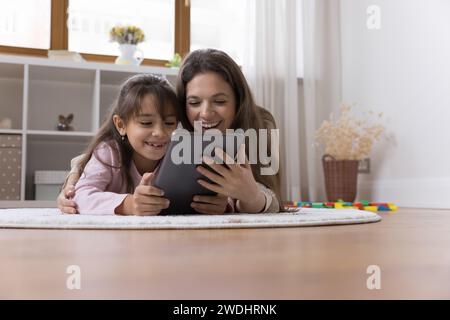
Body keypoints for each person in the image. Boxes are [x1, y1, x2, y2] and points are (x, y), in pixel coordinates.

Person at [58, 49, 281, 214]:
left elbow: (273, 200)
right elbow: (98, 160)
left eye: (220, 100)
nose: (206, 113)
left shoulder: (258, 129)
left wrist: (242, 199)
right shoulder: (175, 130)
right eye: (194, 102)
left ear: (238, 101)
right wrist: (72, 184)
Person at [65, 74, 178, 215]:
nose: (160, 133)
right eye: (146, 123)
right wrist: (129, 204)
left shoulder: (179, 154)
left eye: (169, 123)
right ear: (121, 125)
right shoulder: (109, 152)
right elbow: (80, 197)